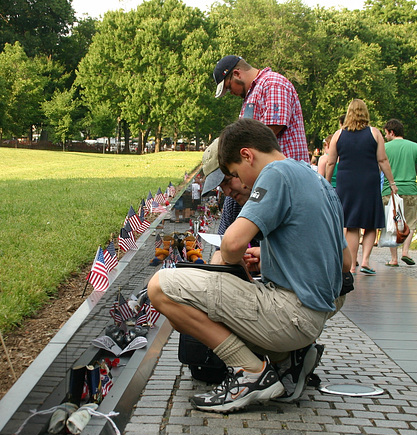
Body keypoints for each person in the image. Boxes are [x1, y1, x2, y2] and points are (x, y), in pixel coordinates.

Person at [148, 118, 352, 413]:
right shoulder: (317, 179)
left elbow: (231, 245)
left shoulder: (275, 173)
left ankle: (251, 373)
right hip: (316, 313)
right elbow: (346, 262)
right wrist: (272, 257)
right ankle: (285, 360)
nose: (237, 184)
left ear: (247, 155)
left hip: (291, 316)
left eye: (232, 174)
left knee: (161, 288)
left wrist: (231, 265)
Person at [325, 99, 398, 275]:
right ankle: (365, 260)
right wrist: (392, 182)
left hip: (346, 183)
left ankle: (351, 265)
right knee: (371, 223)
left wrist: (326, 183)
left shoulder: (338, 135)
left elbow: (331, 162)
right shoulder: (375, 133)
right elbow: (382, 160)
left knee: (351, 224)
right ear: (366, 113)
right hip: (368, 182)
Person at [213, 55, 310, 163]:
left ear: (237, 74)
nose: (231, 92)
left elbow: (271, 128)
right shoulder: (251, 94)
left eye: (229, 87)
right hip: (275, 171)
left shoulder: (273, 83)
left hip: (288, 172)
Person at [200, 138, 259, 264]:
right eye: (221, 187)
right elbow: (219, 250)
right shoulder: (232, 203)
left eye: (228, 181)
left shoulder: (273, 193)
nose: (227, 192)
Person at [382, 119, 417, 266]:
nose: (385, 137)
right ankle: (406, 251)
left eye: (386, 133)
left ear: (392, 132)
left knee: (392, 223)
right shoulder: (414, 147)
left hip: (389, 191)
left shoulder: (384, 148)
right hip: (410, 190)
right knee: (410, 222)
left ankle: (394, 259)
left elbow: (378, 168)